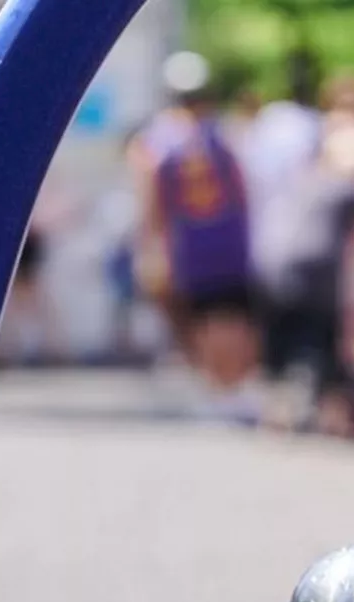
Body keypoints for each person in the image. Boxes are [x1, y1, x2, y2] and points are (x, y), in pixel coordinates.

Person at [258, 75, 354, 436]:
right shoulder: (353, 178)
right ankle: (334, 414)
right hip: (319, 261)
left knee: (289, 338)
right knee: (327, 340)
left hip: (276, 252)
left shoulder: (314, 157)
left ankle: (283, 409)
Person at [146, 84, 260, 422]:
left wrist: (157, 248)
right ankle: (234, 386)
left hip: (194, 246)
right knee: (234, 319)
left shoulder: (165, 146)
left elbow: (156, 203)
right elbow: (243, 190)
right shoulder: (223, 140)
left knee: (207, 322)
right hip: (229, 242)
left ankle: (218, 388)